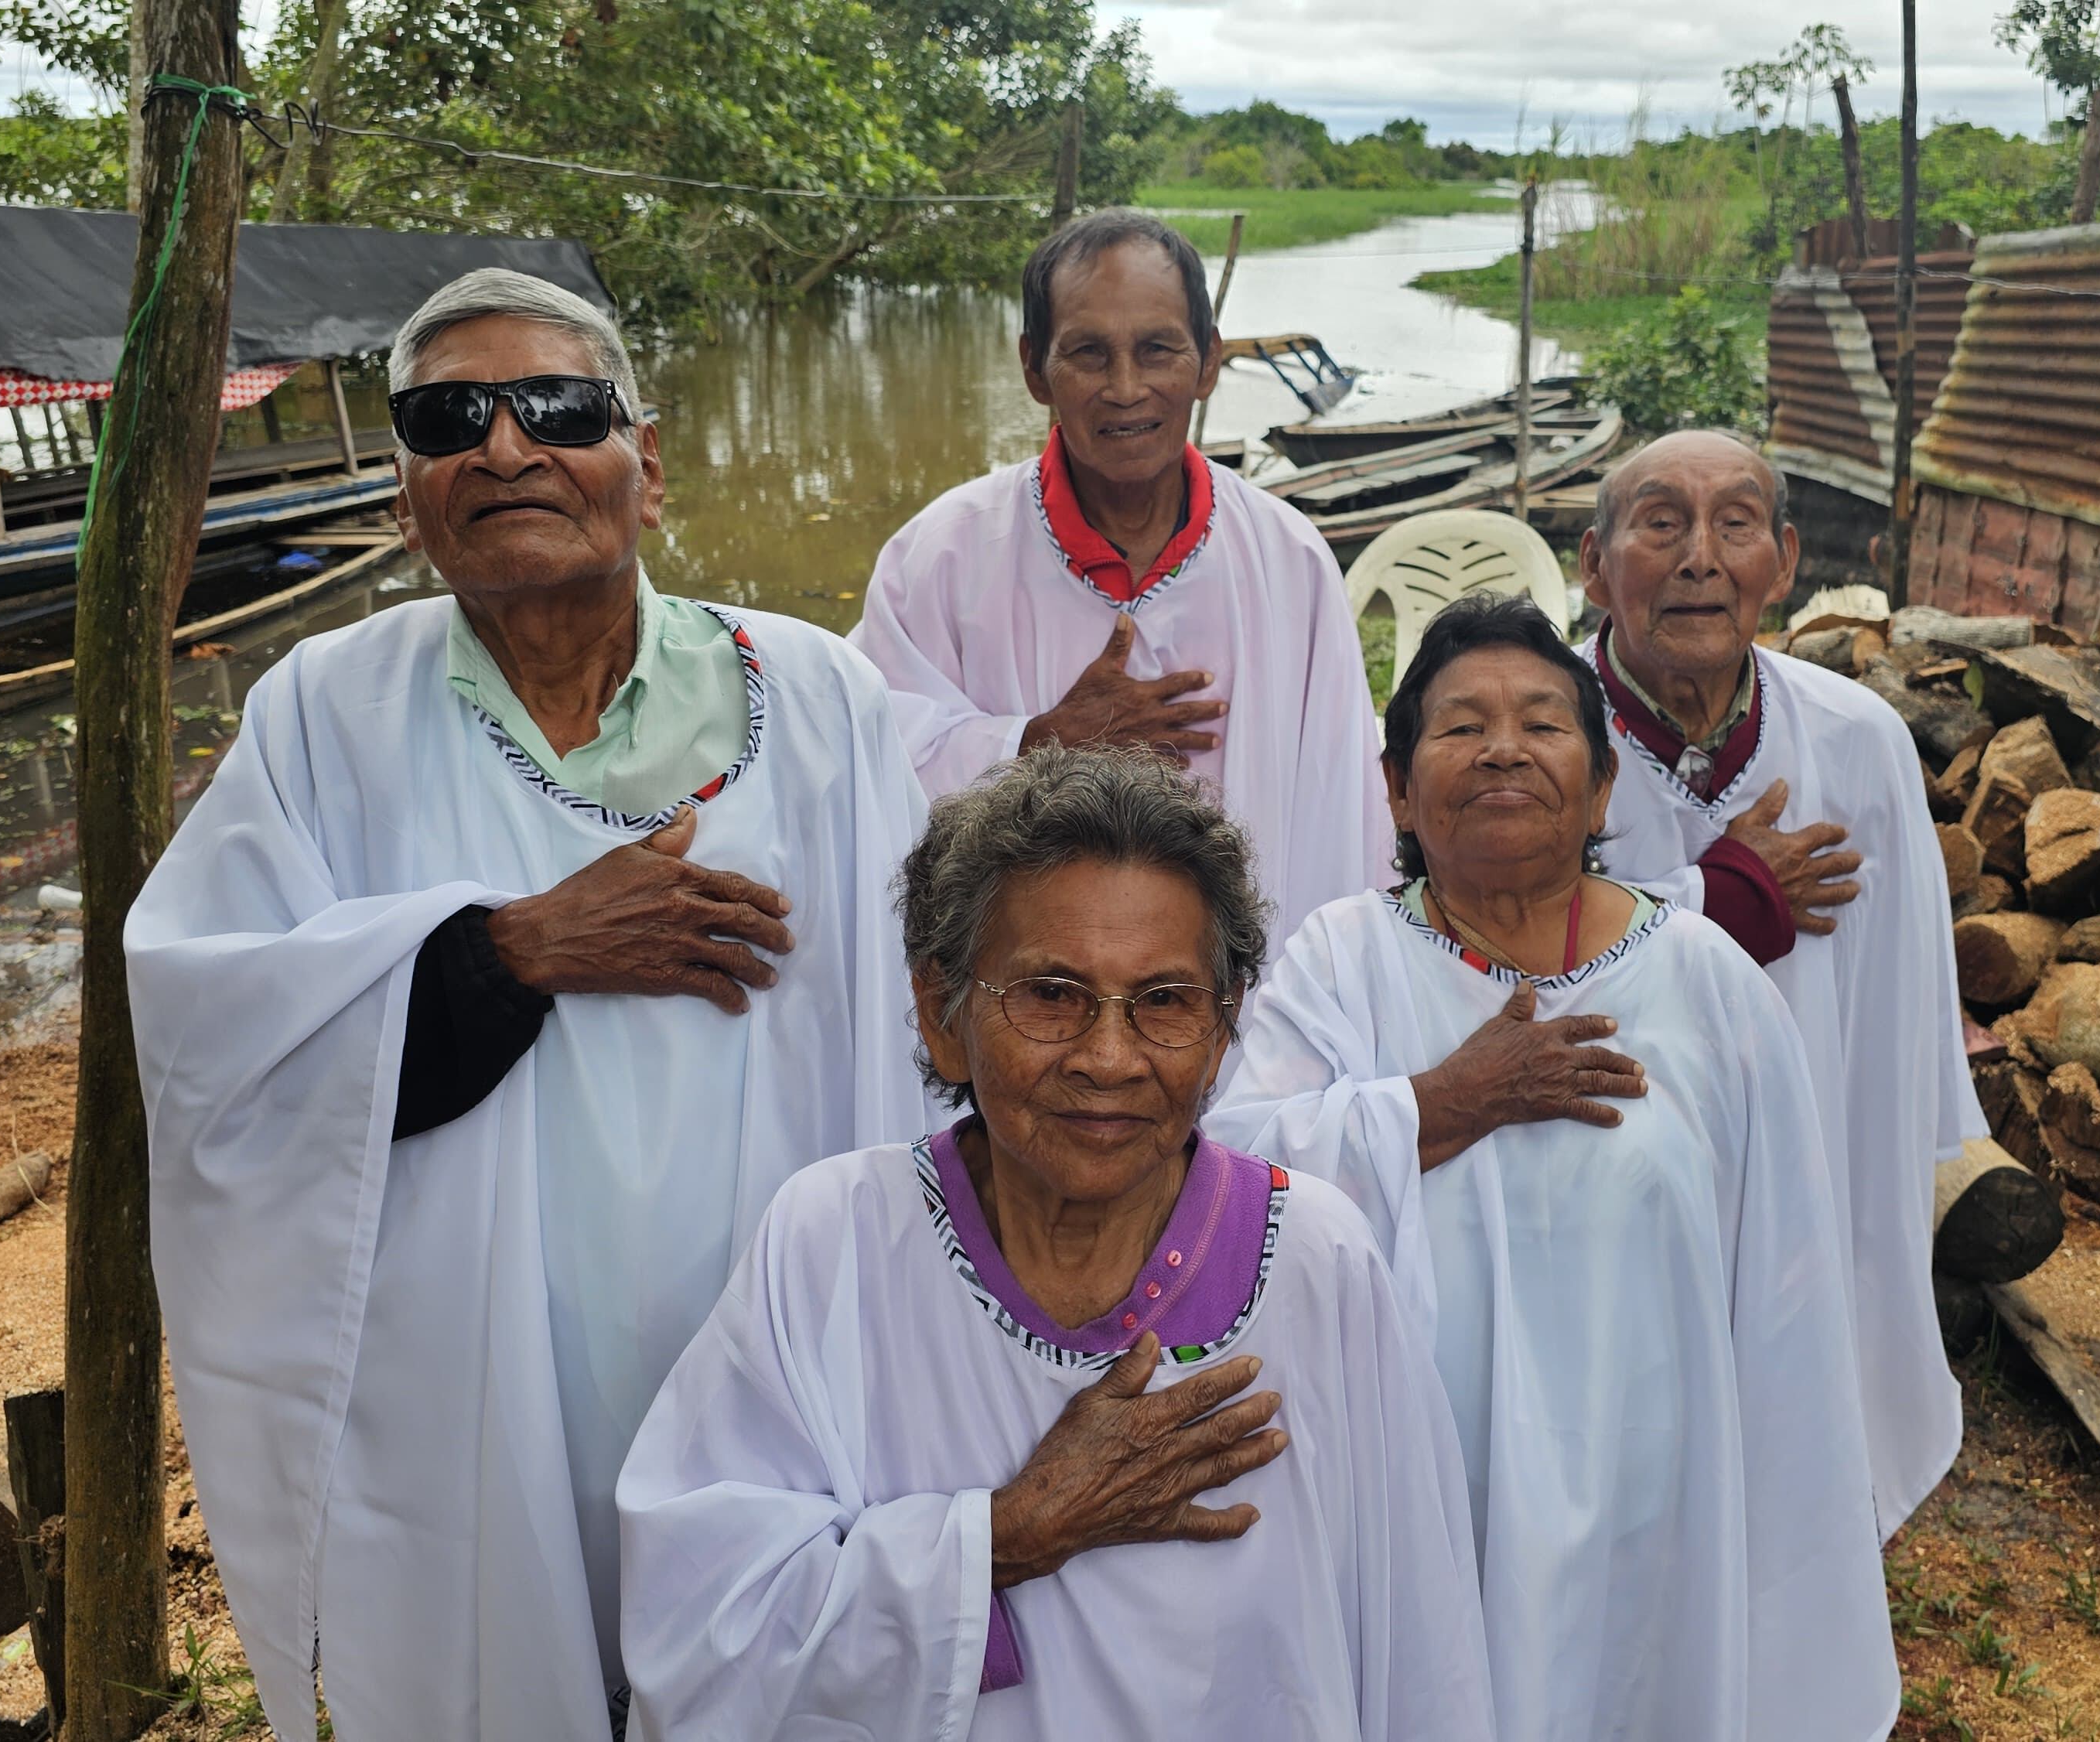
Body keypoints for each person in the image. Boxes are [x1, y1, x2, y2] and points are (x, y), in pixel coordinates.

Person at [127, 268, 929, 1740]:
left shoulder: (820, 700)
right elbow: (210, 1047)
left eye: (558, 408)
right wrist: (512, 950)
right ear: (404, 492)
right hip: (477, 1377)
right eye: (450, 418)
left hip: (776, 1329)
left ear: (650, 462)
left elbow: (923, 1017)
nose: (505, 448)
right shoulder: (321, 713)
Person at [614, 746, 1495, 1740]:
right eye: (1051, 993)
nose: (1109, 1057)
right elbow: (699, 1623)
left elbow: (1424, 1653)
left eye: (1164, 1000)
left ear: (1222, 1028)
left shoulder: (1314, 1257)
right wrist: (1009, 1532)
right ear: (941, 1013)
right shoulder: (836, 1238)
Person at [1208, 594, 1899, 1742]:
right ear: (1396, 788)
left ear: (1602, 786)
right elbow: (1230, 1175)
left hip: (1657, 1497)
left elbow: (1785, 1287)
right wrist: (1442, 1103)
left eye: (1542, 722)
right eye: (1460, 726)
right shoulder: (1341, 962)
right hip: (1423, 1499)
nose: (1503, 750)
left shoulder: (1706, 981)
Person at [1581, 429, 1980, 1535]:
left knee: (1794, 1472)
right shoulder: (1535, 741)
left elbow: (1893, 1012)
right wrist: (1712, 898)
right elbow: (1497, 967)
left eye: (1736, 524)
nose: (1700, 558)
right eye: (1660, 523)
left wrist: (1879, 1195)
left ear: (1786, 560)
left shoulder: (1858, 743)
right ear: (1593, 561)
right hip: (1601, 1174)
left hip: (1805, 1165)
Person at [850, 209, 1385, 937]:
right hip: (1023, 989)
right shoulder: (940, 559)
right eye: (1090, 354)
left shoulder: (1289, 561)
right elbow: (864, 764)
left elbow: (1342, 812)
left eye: (1158, 349)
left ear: (1209, 364)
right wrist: (1037, 744)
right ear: (1036, 369)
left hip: (1251, 1006)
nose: (1126, 388)